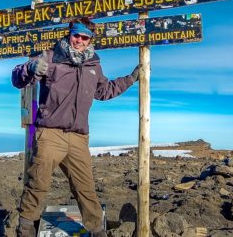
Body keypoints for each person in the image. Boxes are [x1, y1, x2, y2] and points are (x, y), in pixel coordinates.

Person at [12, 17, 140, 237]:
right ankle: (25, 228)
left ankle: (96, 231)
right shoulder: (51, 57)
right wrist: (30, 68)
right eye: (76, 35)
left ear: (90, 40)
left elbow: (104, 91)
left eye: (85, 37)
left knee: (86, 188)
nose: (79, 40)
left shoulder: (93, 65)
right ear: (69, 34)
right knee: (38, 182)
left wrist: (130, 79)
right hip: (50, 133)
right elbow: (18, 79)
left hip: (79, 137)